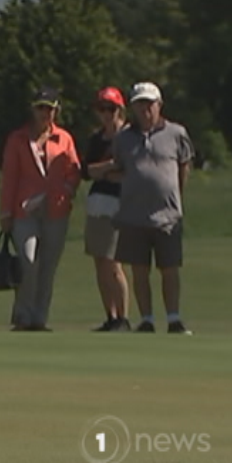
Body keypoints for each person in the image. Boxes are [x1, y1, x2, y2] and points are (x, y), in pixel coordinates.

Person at [108, 82, 194, 334]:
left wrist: (175, 196)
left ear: (159, 105)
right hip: (134, 214)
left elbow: (184, 167)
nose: (145, 109)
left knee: (169, 269)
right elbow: (121, 167)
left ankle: (174, 318)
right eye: (139, 104)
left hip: (167, 215)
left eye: (149, 103)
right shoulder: (123, 138)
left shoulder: (176, 133)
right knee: (139, 270)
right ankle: (146, 319)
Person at [0, 88, 81, 332]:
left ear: (57, 111)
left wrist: (67, 188)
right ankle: (23, 314)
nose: (45, 113)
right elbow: (10, 178)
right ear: (32, 109)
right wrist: (5, 212)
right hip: (25, 210)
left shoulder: (64, 138)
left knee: (47, 266)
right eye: (41, 108)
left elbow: (74, 169)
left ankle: (39, 318)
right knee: (28, 259)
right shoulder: (18, 139)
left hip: (56, 209)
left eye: (50, 108)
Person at [80, 87, 131, 332]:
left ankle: (123, 316)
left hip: (120, 204)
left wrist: (108, 169)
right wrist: (109, 167)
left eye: (110, 108)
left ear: (120, 109)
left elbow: (129, 171)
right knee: (99, 262)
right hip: (98, 202)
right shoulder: (96, 139)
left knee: (113, 262)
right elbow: (87, 170)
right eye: (102, 109)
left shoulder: (128, 136)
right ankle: (110, 316)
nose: (106, 114)